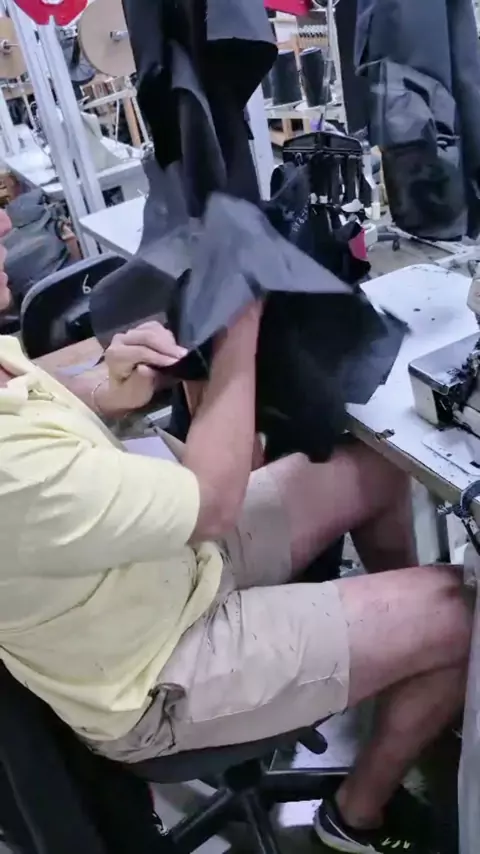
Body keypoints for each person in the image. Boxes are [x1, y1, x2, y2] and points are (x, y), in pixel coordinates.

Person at [0, 207, 472, 854]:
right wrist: (237, 327)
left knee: (376, 467)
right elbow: (211, 502)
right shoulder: (10, 468)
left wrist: (107, 390)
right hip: (155, 671)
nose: (7, 223)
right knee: (464, 609)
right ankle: (355, 814)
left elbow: (44, 399)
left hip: (161, 572)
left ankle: (410, 662)